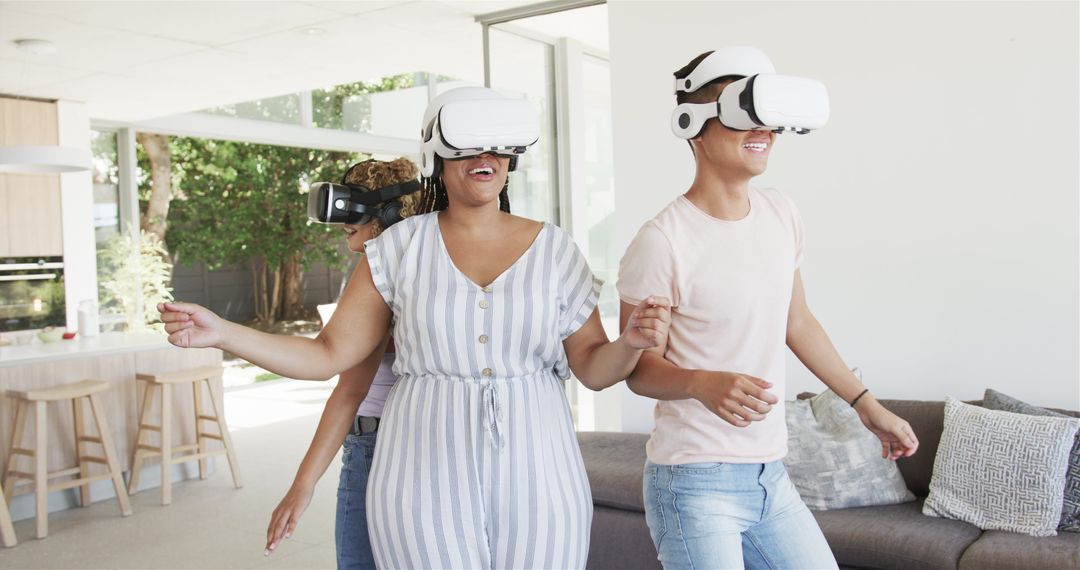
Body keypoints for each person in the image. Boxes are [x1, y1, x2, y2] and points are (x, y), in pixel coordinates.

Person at [160, 86, 671, 570]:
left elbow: (593, 370)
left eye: (496, 148)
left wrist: (630, 343)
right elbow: (327, 356)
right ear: (436, 158)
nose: (483, 159)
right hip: (420, 474)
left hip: (541, 471)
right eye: (466, 148)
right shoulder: (397, 249)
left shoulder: (557, 250)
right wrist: (225, 333)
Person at [617, 46, 920, 570]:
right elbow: (637, 370)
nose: (764, 131)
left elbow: (797, 322)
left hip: (770, 474)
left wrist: (866, 405)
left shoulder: (782, 213)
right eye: (742, 114)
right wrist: (699, 382)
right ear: (693, 125)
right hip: (694, 481)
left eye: (769, 118)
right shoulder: (662, 240)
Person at [263, 157, 422, 569]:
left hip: (378, 447)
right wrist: (304, 484)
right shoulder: (400, 269)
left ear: (390, 210)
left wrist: (302, 486)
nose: (342, 221)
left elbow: (347, 388)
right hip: (404, 442)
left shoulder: (388, 272)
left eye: (354, 207)